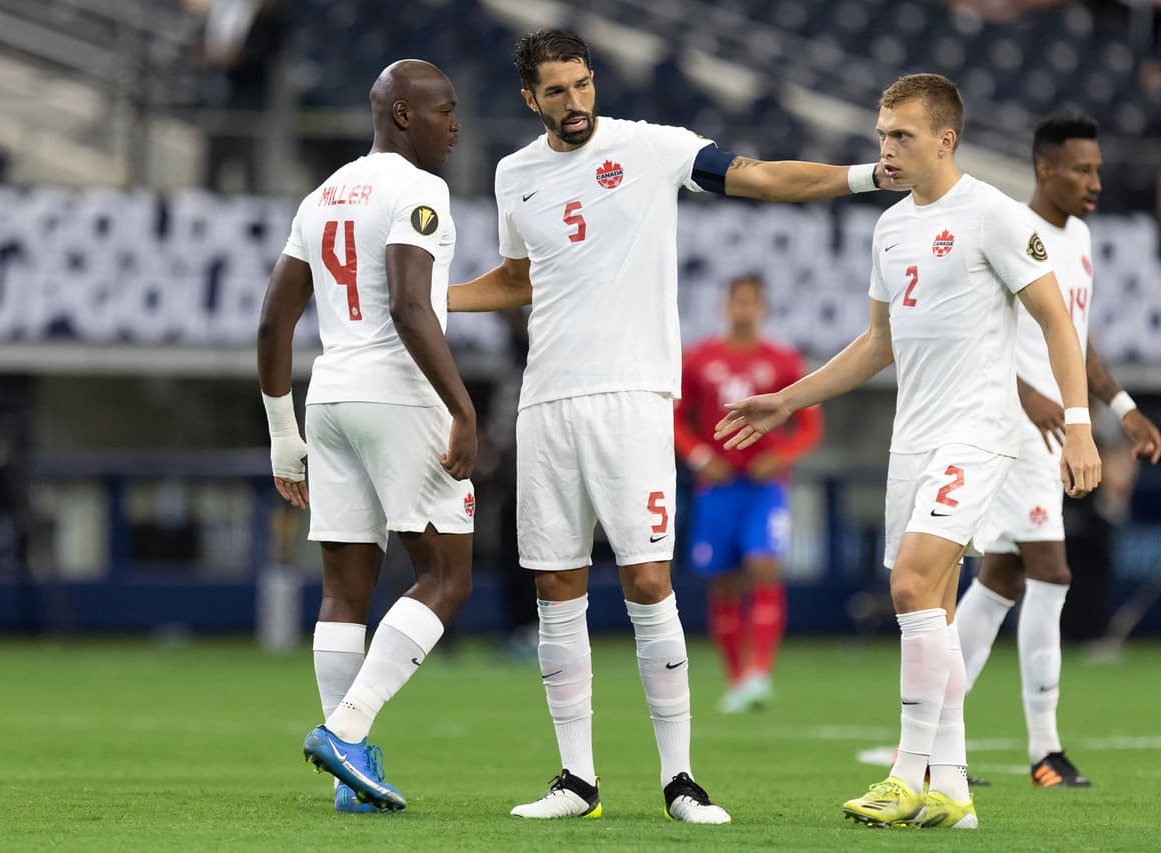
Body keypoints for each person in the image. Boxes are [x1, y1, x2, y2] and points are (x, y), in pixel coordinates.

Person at [448, 28, 893, 824]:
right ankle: (575, 779)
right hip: (548, 401)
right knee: (557, 589)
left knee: (649, 582)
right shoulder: (514, 173)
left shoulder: (650, 148)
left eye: (582, 84)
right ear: (530, 98)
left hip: (634, 399)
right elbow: (518, 279)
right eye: (557, 91)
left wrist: (862, 175)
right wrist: (434, 299)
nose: (575, 102)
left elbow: (758, 177)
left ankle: (681, 778)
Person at [717, 73, 1102, 830]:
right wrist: (788, 397)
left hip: (978, 430)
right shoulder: (890, 226)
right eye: (882, 135)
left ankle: (906, 771)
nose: (887, 149)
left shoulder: (991, 214)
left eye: (902, 136)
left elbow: (1056, 319)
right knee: (926, 603)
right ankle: (953, 791)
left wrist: (1083, 423)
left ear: (945, 140)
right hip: (914, 436)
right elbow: (877, 343)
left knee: (908, 583)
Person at [256, 59, 476, 813]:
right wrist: (463, 408)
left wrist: (283, 435)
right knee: (446, 575)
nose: (455, 123)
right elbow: (413, 309)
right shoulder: (419, 190)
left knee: (345, 589)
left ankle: (353, 775)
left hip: (331, 396)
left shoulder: (322, 195)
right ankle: (347, 729)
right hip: (399, 395)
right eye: (444, 109)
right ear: (403, 115)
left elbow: (273, 319)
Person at [955, 113, 1161, 790]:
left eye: (1098, 169)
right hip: (1015, 427)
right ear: (1045, 168)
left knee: (1002, 577)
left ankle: (932, 737)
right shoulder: (1012, 232)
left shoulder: (1078, 239)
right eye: (1082, 169)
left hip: (1056, 428)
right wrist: (1026, 393)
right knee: (1051, 569)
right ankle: (1045, 750)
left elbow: (1074, 337)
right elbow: (976, 336)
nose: (1095, 181)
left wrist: (1123, 407)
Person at [674, 275, 823, 713]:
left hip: (764, 486)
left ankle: (760, 672)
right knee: (723, 581)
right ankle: (735, 679)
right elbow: (677, 420)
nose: (743, 309)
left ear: (763, 309)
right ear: (725, 306)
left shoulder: (782, 361)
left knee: (763, 566)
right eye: (736, 301)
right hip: (716, 487)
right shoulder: (699, 358)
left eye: (751, 302)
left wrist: (782, 458)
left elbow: (810, 426)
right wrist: (701, 457)